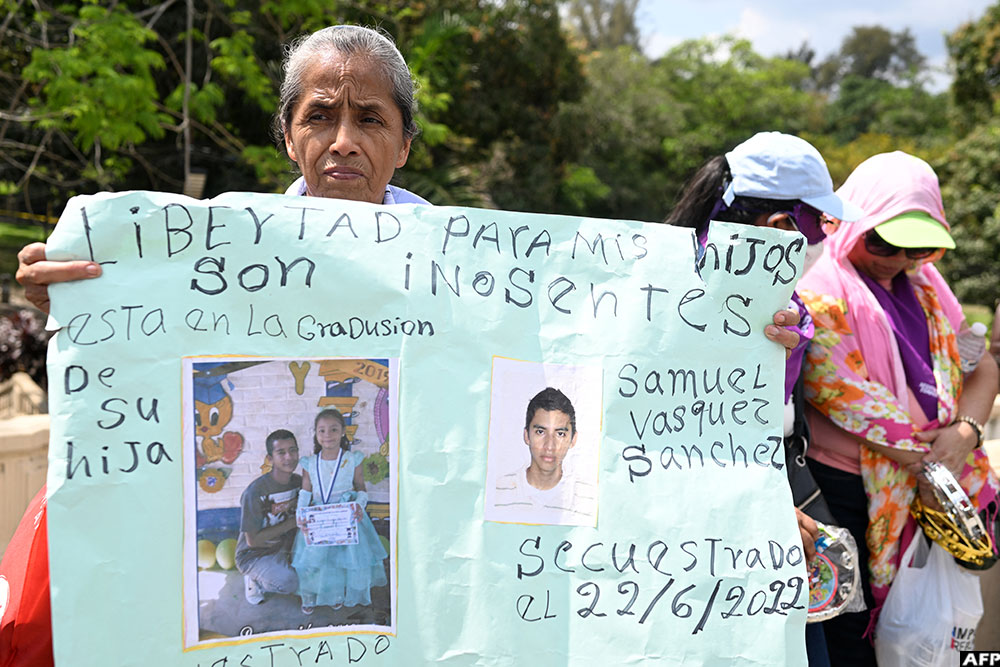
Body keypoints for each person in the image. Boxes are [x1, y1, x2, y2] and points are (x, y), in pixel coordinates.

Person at [666, 131, 864, 667]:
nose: (826, 237)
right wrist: (765, 506)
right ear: (780, 227)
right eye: (822, 223)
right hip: (713, 528)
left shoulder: (769, 297)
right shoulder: (699, 295)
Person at [798, 151, 1000, 666]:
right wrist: (935, 458)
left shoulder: (928, 286)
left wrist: (967, 433)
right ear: (851, 221)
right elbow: (838, 391)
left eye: (918, 246)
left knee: (930, 631)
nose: (897, 258)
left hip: (932, 478)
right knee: (852, 632)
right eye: (883, 239)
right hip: (846, 491)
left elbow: (981, 367)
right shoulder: (820, 285)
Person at [291, 409, 387, 614]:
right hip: (318, 518)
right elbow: (306, 491)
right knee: (314, 560)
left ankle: (335, 593)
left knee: (341, 559)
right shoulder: (310, 462)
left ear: (343, 432)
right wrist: (300, 514)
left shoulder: (352, 459)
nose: (328, 435)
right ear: (316, 434)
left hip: (345, 516)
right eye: (322, 430)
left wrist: (359, 505)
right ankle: (310, 594)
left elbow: (361, 488)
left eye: (334, 429)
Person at [493, 387, 597, 524]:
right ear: (526, 436)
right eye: (540, 432)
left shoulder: (590, 501)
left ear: (573, 439)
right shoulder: (497, 492)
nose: (549, 446)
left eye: (560, 434)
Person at [236, 429, 302, 604]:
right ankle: (254, 579)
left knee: (316, 572)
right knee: (290, 583)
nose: (289, 457)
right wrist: (292, 523)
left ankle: (279, 566)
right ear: (270, 459)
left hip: (285, 547)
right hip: (255, 555)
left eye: (293, 450)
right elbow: (253, 541)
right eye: (281, 452)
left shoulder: (299, 482)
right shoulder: (255, 492)